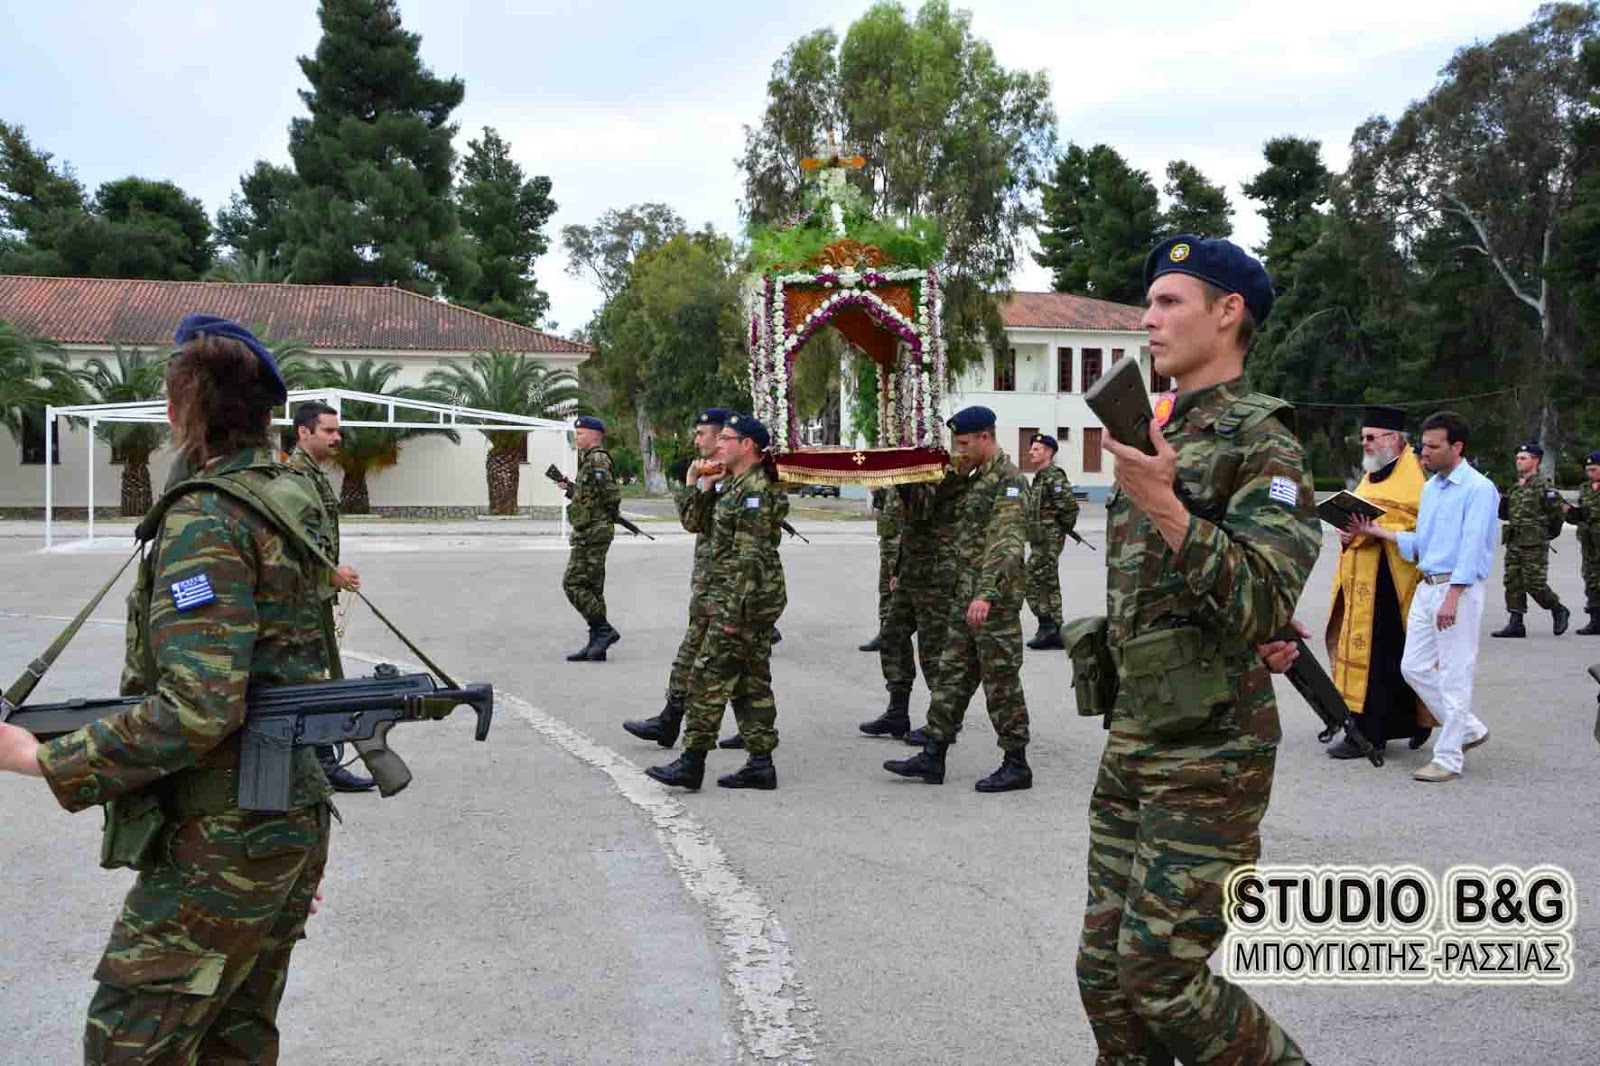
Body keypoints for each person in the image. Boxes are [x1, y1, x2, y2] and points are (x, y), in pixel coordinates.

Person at [0, 315, 334, 1061]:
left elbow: (200, 704)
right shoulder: (287, 495)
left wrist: (35, 756)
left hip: (229, 833)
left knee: (127, 1042)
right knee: (231, 1039)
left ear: (187, 406)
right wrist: (284, 851)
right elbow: (291, 668)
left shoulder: (209, 516)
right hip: (276, 818)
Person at [1075, 235, 1318, 1063]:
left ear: (1229, 312)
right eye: (1148, 304)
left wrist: (1166, 504)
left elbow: (1263, 598)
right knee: (1104, 976)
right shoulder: (1162, 429)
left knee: (1163, 977)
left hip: (1211, 751)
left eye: (1170, 302)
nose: (1148, 319)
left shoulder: (1267, 442)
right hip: (1137, 732)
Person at [883, 405, 1034, 793]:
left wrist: (986, 593)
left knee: (1000, 682)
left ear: (987, 437)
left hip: (992, 599)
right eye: (956, 443)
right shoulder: (968, 477)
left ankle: (1016, 763)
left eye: (965, 443)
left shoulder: (1008, 480)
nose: (959, 450)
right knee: (951, 675)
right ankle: (933, 755)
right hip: (963, 593)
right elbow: (927, 511)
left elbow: (1006, 542)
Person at [1352, 411, 1499, 783]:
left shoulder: (1479, 490)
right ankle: (1467, 728)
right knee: (1413, 667)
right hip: (1427, 586)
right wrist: (1378, 532)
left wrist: (1453, 597)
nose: (1424, 453)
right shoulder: (1432, 487)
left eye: (1434, 447)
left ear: (1457, 447)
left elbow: (1472, 550)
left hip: (1457, 590)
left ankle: (1448, 758)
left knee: (1454, 673)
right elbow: (1421, 544)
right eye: (1424, 445)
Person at [647, 414, 788, 791]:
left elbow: (750, 557)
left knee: (709, 676)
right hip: (745, 600)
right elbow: (702, 526)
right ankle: (761, 763)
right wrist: (700, 484)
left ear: (747, 446)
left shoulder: (755, 490)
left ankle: (692, 762)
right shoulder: (737, 483)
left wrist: (730, 614)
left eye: (727, 438)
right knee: (750, 682)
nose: (719, 444)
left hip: (743, 602)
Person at [1324, 406, 1435, 758]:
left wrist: (1374, 531)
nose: (1365, 444)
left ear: (1393, 439)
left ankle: (1371, 733)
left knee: (1385, 658)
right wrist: (1348, 535)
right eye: (1363, 438)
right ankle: (1401, 722)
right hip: (1362, 583)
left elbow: (1420, 532)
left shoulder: (1413, 480)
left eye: (1371, 437)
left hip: (1390, 586)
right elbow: (1358, 522)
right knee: (1373, 656)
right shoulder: (1370, 476)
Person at [623, 408, 730, 746]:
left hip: (722, 590)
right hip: (707, 587)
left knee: (708, 665)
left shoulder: (733, 478)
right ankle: (672, 721)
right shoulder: (715, 475)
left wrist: (691, 485)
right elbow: (697, 523)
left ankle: (684, 730)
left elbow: (694, 523)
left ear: (720, 436)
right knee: (726, 666)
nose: (697, 440)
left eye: (702, 434)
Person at [290, 400, 376, 792]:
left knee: (321, 678)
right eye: (328, 430)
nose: (336, 437)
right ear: (304, 432)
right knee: (317, 681)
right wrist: (330, 574)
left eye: (337, 430)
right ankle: (321, 765)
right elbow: (290, 547)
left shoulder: (314, 476)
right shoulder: (294, 478)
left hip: (317, 596)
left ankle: (321, 762)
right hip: (301, 600)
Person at [858, 469, 956, 740]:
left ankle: (942, 725)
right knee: (891, 637)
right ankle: (897, 712)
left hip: (935, 576)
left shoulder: (939, 476)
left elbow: (923, 510)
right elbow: (909, 527)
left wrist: (904, 480)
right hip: (910, 572)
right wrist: (898, 570)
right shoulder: (908, 475)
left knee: (932, 652)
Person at [556, 415, 622, 661]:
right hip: (590, 529)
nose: (577, 437)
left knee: (572, 583)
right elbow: (590, 497)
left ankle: (604, 630)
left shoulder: (597, 460)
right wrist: (571, 488)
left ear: (596, 435)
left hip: (593, 532)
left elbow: (611, 495)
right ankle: (597, 645)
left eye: (581, 433)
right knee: (593, 588)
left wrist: (606, 518)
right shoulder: (589, 461)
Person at [1491, 442, 1570, 638]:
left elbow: (1558, 514)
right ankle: (1516, 623)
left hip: (1534, 543)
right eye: (1517, 458)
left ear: (1536, 461)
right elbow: (1507, 514)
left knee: (1535, 584)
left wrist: (1544, 535)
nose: (1519, 461)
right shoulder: (1516, 487)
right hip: (1514, 542)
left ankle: (1557, 608)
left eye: (1523, 458)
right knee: (1513, 582)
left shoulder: (1544, 487)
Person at [1023, 432, 1080, 650]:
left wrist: (1059, 529)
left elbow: (1069, 506)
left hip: (1048, 539)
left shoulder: (1053, 476)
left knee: (1032, 579)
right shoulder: (1042, 476)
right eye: (1032, 449)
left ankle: (1048, 625)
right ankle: (1054, 630)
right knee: (1048, 582)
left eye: (1036, 449)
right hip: (1040, 539)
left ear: (1048, 452)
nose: (1031, 452)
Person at [1564, 450, 1600, 634]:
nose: (1590, 473)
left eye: (1594, 469)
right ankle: (1595, 621)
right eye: (1588, 470)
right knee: (1591, 581)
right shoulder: (1585, 488)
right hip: (1589, 546)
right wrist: (1569, 512)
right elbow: (1580, 517)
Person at [861, 487, 901, 651]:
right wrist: (876, 493)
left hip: (900, 548)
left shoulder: (905, 485)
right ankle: (885, 634)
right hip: (887, 546)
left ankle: (896, 634)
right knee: (885, 591)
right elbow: (879, 512)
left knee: (899, 593)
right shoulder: (887, 488)